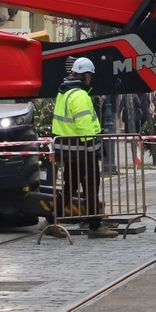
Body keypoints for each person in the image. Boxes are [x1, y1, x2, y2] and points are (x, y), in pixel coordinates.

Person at [49, 58, 116, 239]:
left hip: (68, 150)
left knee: (70, 187)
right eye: (90, 76)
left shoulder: (64, 92)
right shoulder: (79, 95)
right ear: (86, 75)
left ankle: (51, 221)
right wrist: (94, 149)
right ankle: (95, 226)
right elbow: (85, 127)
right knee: (91, 187)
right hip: (82, 151)